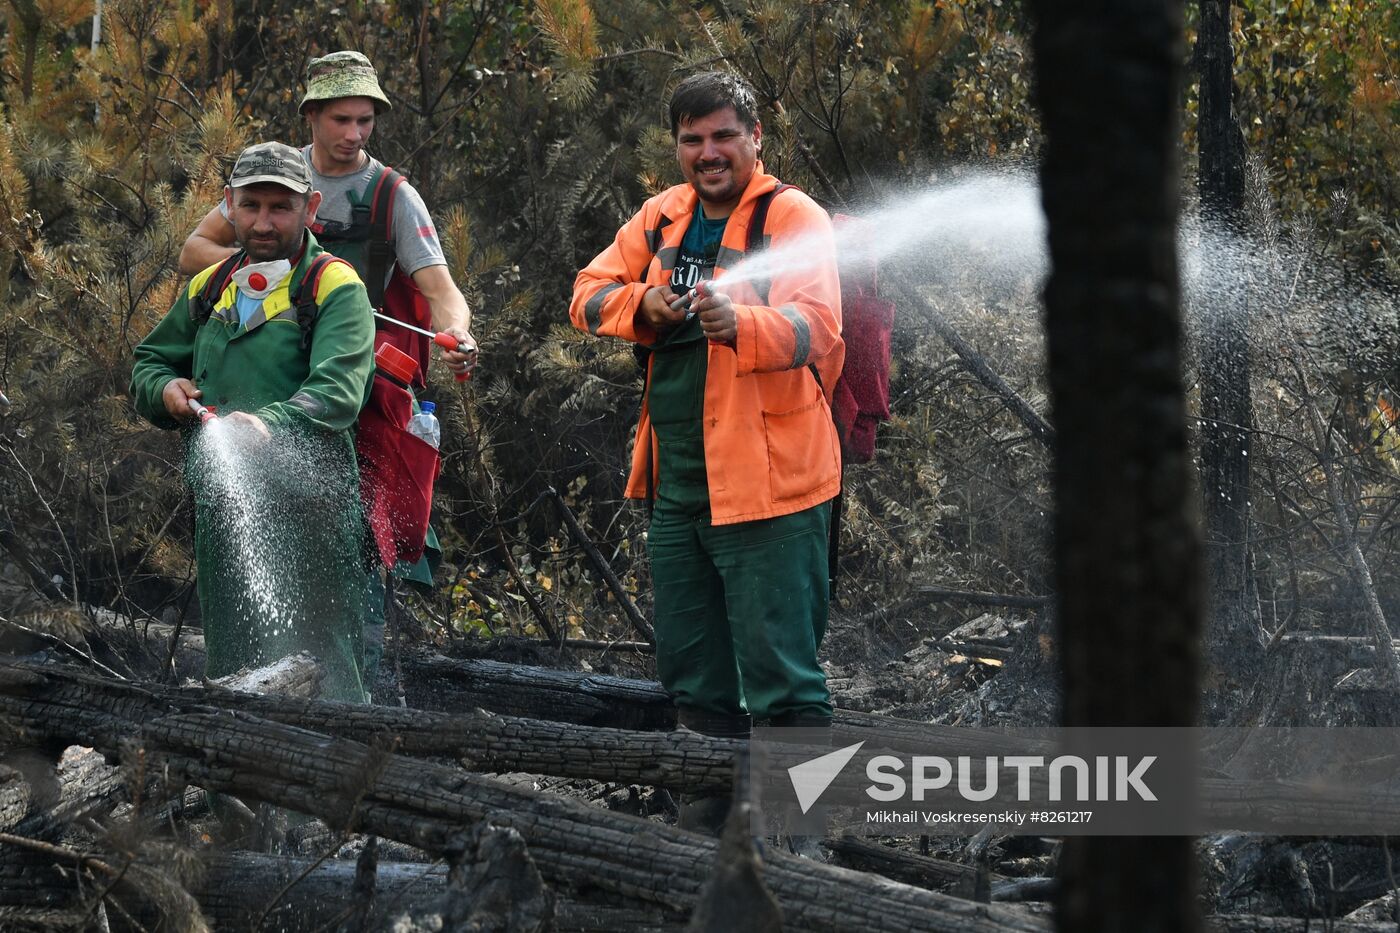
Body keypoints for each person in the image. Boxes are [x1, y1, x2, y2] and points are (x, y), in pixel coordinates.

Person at [569, 72, 844, 836]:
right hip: (679, 485)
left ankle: (801, 836)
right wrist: (639, 306)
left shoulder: (793, 218)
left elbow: (816, 328)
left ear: (756, 137)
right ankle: (709, 818)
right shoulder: (661, 217)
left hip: (772, 487)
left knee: (784, 677)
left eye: (724, 135)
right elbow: (586, 292)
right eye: (692, 139)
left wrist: (739, 322)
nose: (709, 152)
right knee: (694, 670)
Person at [179, 51, 476, 689]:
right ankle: (262, 690)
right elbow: (194, 252)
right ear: (311, 115)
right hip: (268, 387)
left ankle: (354, 701)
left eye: (366, 120)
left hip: (357, 396)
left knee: (359, 544)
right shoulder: (274, 182)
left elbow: (442, 289)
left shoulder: (392, 194)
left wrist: (457, 332)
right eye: (341, 119)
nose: (355, 134)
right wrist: (279, 270)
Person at [132, 142, 375, 702]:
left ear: (310, 208)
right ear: (229, 205)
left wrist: (268, 426)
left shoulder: (334, 288)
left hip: (312, 513)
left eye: (280, 207)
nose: (263, 222)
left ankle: (345, 782)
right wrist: (164, 389)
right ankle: (232, 788)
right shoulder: (211, 285)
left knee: (328, 667)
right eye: (251, 205)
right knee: (234, 660)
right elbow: (150, 361)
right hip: (223, 507)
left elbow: (337, 392)